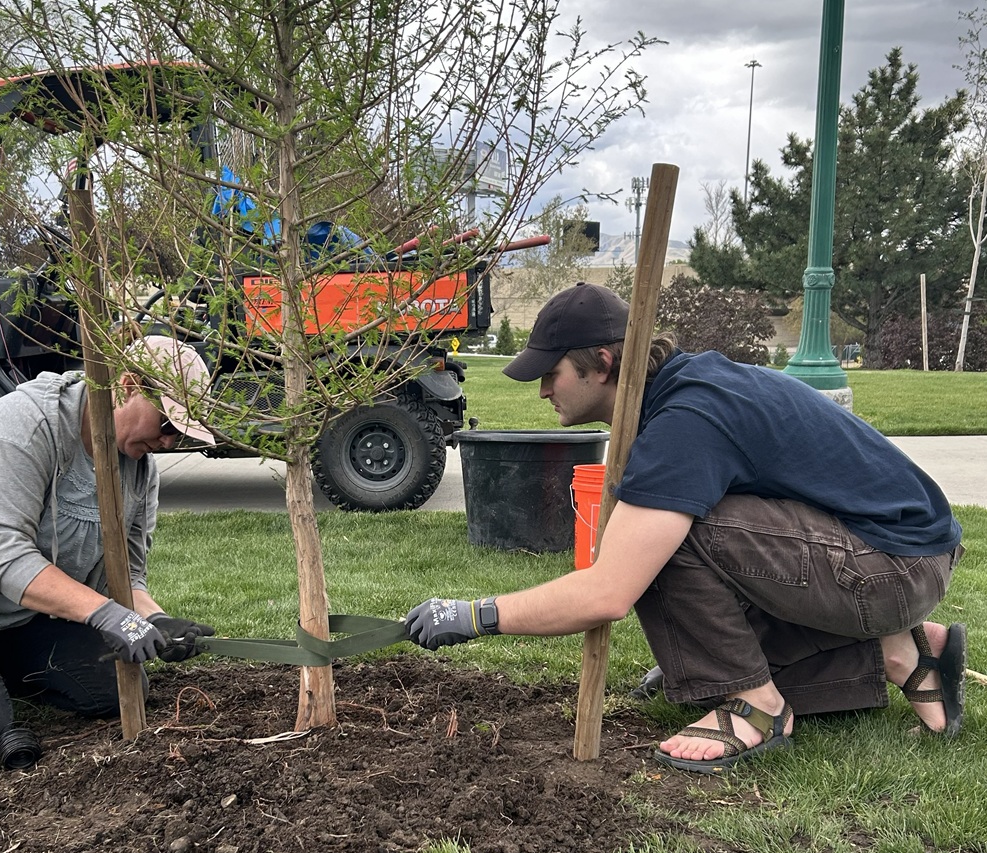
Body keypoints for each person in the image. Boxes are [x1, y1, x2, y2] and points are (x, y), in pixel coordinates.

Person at [405, 283, 966, 773]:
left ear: (601, 363)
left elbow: (608, 593)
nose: (543, 391)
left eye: (551, 374)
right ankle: (905, 653)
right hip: (902, 555)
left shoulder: (684, 424)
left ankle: (755, 704)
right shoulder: (687, 387)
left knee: (667, 538)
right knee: (667, 525)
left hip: (892, 569)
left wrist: (474, 614)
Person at [0, 334, 218, 760]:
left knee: (120, 689)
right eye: (166, 425)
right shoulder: (23, 427)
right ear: (127, 386)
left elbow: (124, 573)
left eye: (181, 433)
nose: (169, 443)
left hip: (17, 617)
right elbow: (2, 554)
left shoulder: (139, 471)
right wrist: (108, 615)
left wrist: (155, 619)